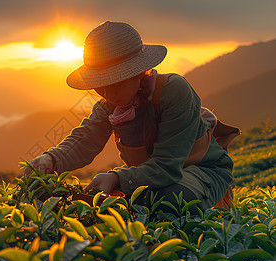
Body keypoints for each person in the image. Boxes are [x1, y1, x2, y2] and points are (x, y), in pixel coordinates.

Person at [27, 21, 239, 213]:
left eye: (115, 83)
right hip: (150, 175)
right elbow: (87, 138)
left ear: (138, 72)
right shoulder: (112, 103)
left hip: (200, 171)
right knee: (91, 202)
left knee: (167, 200)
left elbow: (167, 165)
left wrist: (119, 178)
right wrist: (51, 160)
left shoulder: (174, 91)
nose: (108, 94)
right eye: (100, 86)